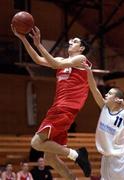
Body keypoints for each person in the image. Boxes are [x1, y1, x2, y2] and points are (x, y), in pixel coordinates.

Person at [11, 25, 91, 180]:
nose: (70, 42)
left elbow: (56, 64)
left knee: (36, 143)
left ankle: (76, 154)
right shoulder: (62, 60)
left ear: (81, 48)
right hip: (59, 107)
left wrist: (39, 44)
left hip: (65, 108)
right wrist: (23, 39)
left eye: (74, 41)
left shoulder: (81, 60)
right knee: (50, 158)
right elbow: (38, 59)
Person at [83, 62, 124, 180]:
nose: (106, 94)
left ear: (117, 99)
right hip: (106, 159)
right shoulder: (104, 107)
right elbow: (93, 88)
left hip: (122, 160)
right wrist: (88, 71)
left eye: (110, 93)